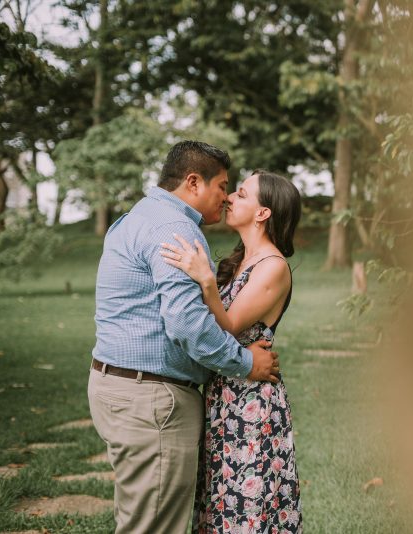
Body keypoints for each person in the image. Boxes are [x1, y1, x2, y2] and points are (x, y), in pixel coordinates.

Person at [88, 141, 281, 534]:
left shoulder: (140, 215)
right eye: (223, 186)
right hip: (152, 402)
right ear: (194, 182)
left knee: (140, 517)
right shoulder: (174, 229)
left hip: (118, 385)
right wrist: (248, 363)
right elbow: (186, 325)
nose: (225, 197)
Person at [160, 170, 303, 533]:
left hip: (251, 402)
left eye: (241, 194)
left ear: (262, 213)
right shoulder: (241, 261)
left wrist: (205, 279)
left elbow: (228, 324)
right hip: (224, 393)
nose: (229, 199)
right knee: (220, 502)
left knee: (247, 505)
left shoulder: (273, 267)